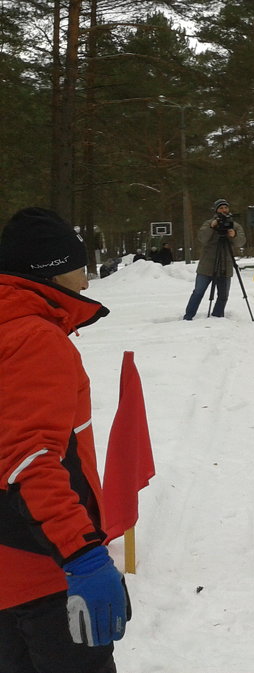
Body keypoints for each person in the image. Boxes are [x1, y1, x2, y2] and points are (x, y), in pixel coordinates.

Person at [0, 207, 131, 672]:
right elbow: (29, 460)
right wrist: (83, 555)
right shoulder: (35, 338)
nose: (87, 282)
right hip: (45, 577)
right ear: (50, 269)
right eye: (80, 266)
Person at [182, 199, 246, 320]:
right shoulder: (208, 223)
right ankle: (188, 316)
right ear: (216, 210)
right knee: (198, 292)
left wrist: (234, 235)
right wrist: (211, 227)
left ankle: (217, 317)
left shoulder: (234, 225)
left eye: (226, 208)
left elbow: (241, 242)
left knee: (223, 295)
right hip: (207, 265)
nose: (224, 210)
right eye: (221, 208)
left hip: (225, 265)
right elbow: (202, 238)